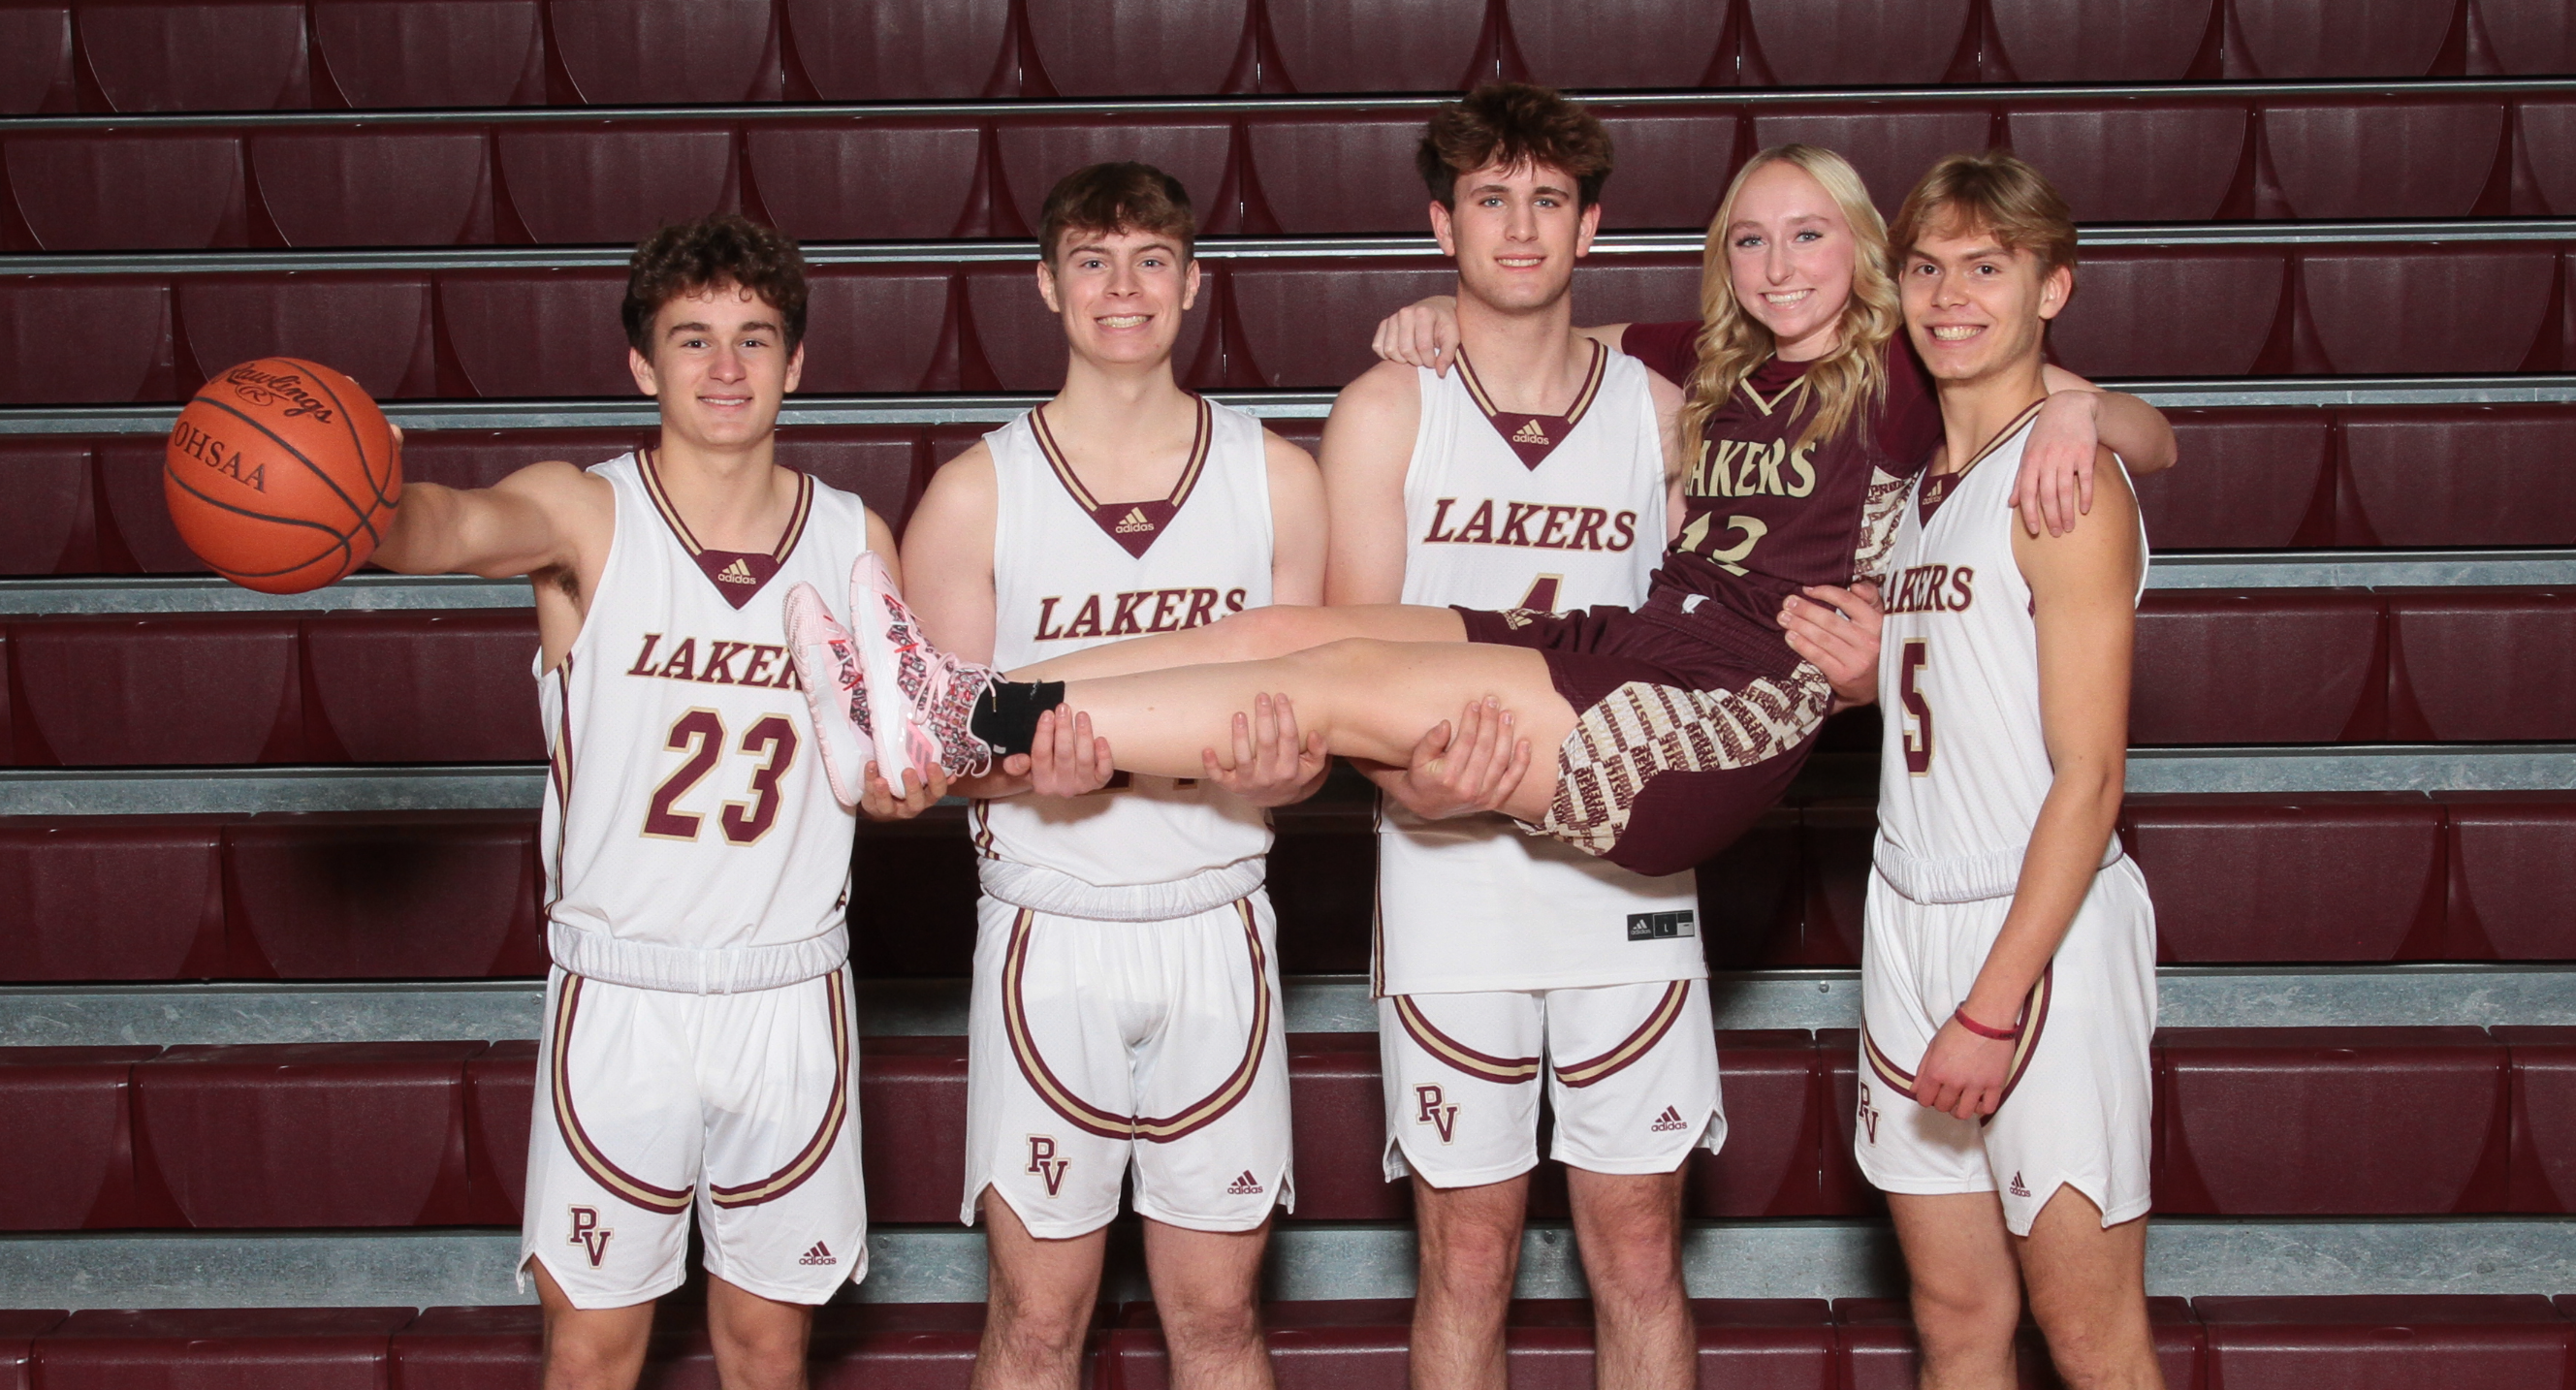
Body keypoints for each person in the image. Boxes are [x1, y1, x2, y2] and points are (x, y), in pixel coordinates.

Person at [786, 145, 2174, 897]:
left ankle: (963, 721)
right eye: (1750, 239)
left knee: (1324, 692)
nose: (1777, 263)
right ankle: (950, 695)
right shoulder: (1713, 354)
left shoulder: (1908, 366)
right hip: (1641, 638)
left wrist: (2078, 406)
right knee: (1287, 629)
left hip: (1721, 712)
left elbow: (2154, 437)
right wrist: (1459, 308)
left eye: (1810, 235)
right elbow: (1556, 321)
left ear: (1864, 252)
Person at [368, 216, 880, 1390]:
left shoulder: (854, 537)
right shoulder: (584, 513)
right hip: (626, 1003)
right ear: (638, 362)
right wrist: (351, 506)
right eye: (691, 338)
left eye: (752, 337)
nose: (723, 367)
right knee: (589, 1369)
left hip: (794, 991)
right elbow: (443, 525)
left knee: (766, 1357)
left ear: (796, 364)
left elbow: (906, 736)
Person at [873, 161, 1345, 1390]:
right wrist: (1025, 780)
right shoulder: (976, 494)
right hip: (1049, 935)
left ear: (1194, 282)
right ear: (1050, 287)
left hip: (1217, 921)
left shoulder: (1277, 481)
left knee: (1218, 1311)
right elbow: (930, 747)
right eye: (1096, 261)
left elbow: (1315, 732)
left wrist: (1289, 769)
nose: (1125, 288)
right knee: (1038, 1315)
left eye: (1153, 259)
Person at [1316, 85, 1722, 1390]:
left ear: (1594, 228)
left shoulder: (1667, 411)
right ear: (1442, 227)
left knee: (1636, 1251)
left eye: (1552, 198)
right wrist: (1414, 774)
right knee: (1466, 1261)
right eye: (1491, 198)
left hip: (1626, 884)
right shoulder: (1385, 408)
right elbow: (1348, 666)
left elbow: (1713, 641)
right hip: (1451, 886)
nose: (1523, 227)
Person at [1791, 154, 2172, 1390]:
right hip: (1914, 923)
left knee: (2093, 1340)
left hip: (2046, 942)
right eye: (1932, 271)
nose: (1954, 299)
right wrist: (1888, 675)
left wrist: (2000, 1001)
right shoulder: (1931, 489)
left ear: (2051, 291)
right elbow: (1974, 704)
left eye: (1988, 270)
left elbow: (2087, 777)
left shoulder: (2064, 473)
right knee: (1957, 1323)